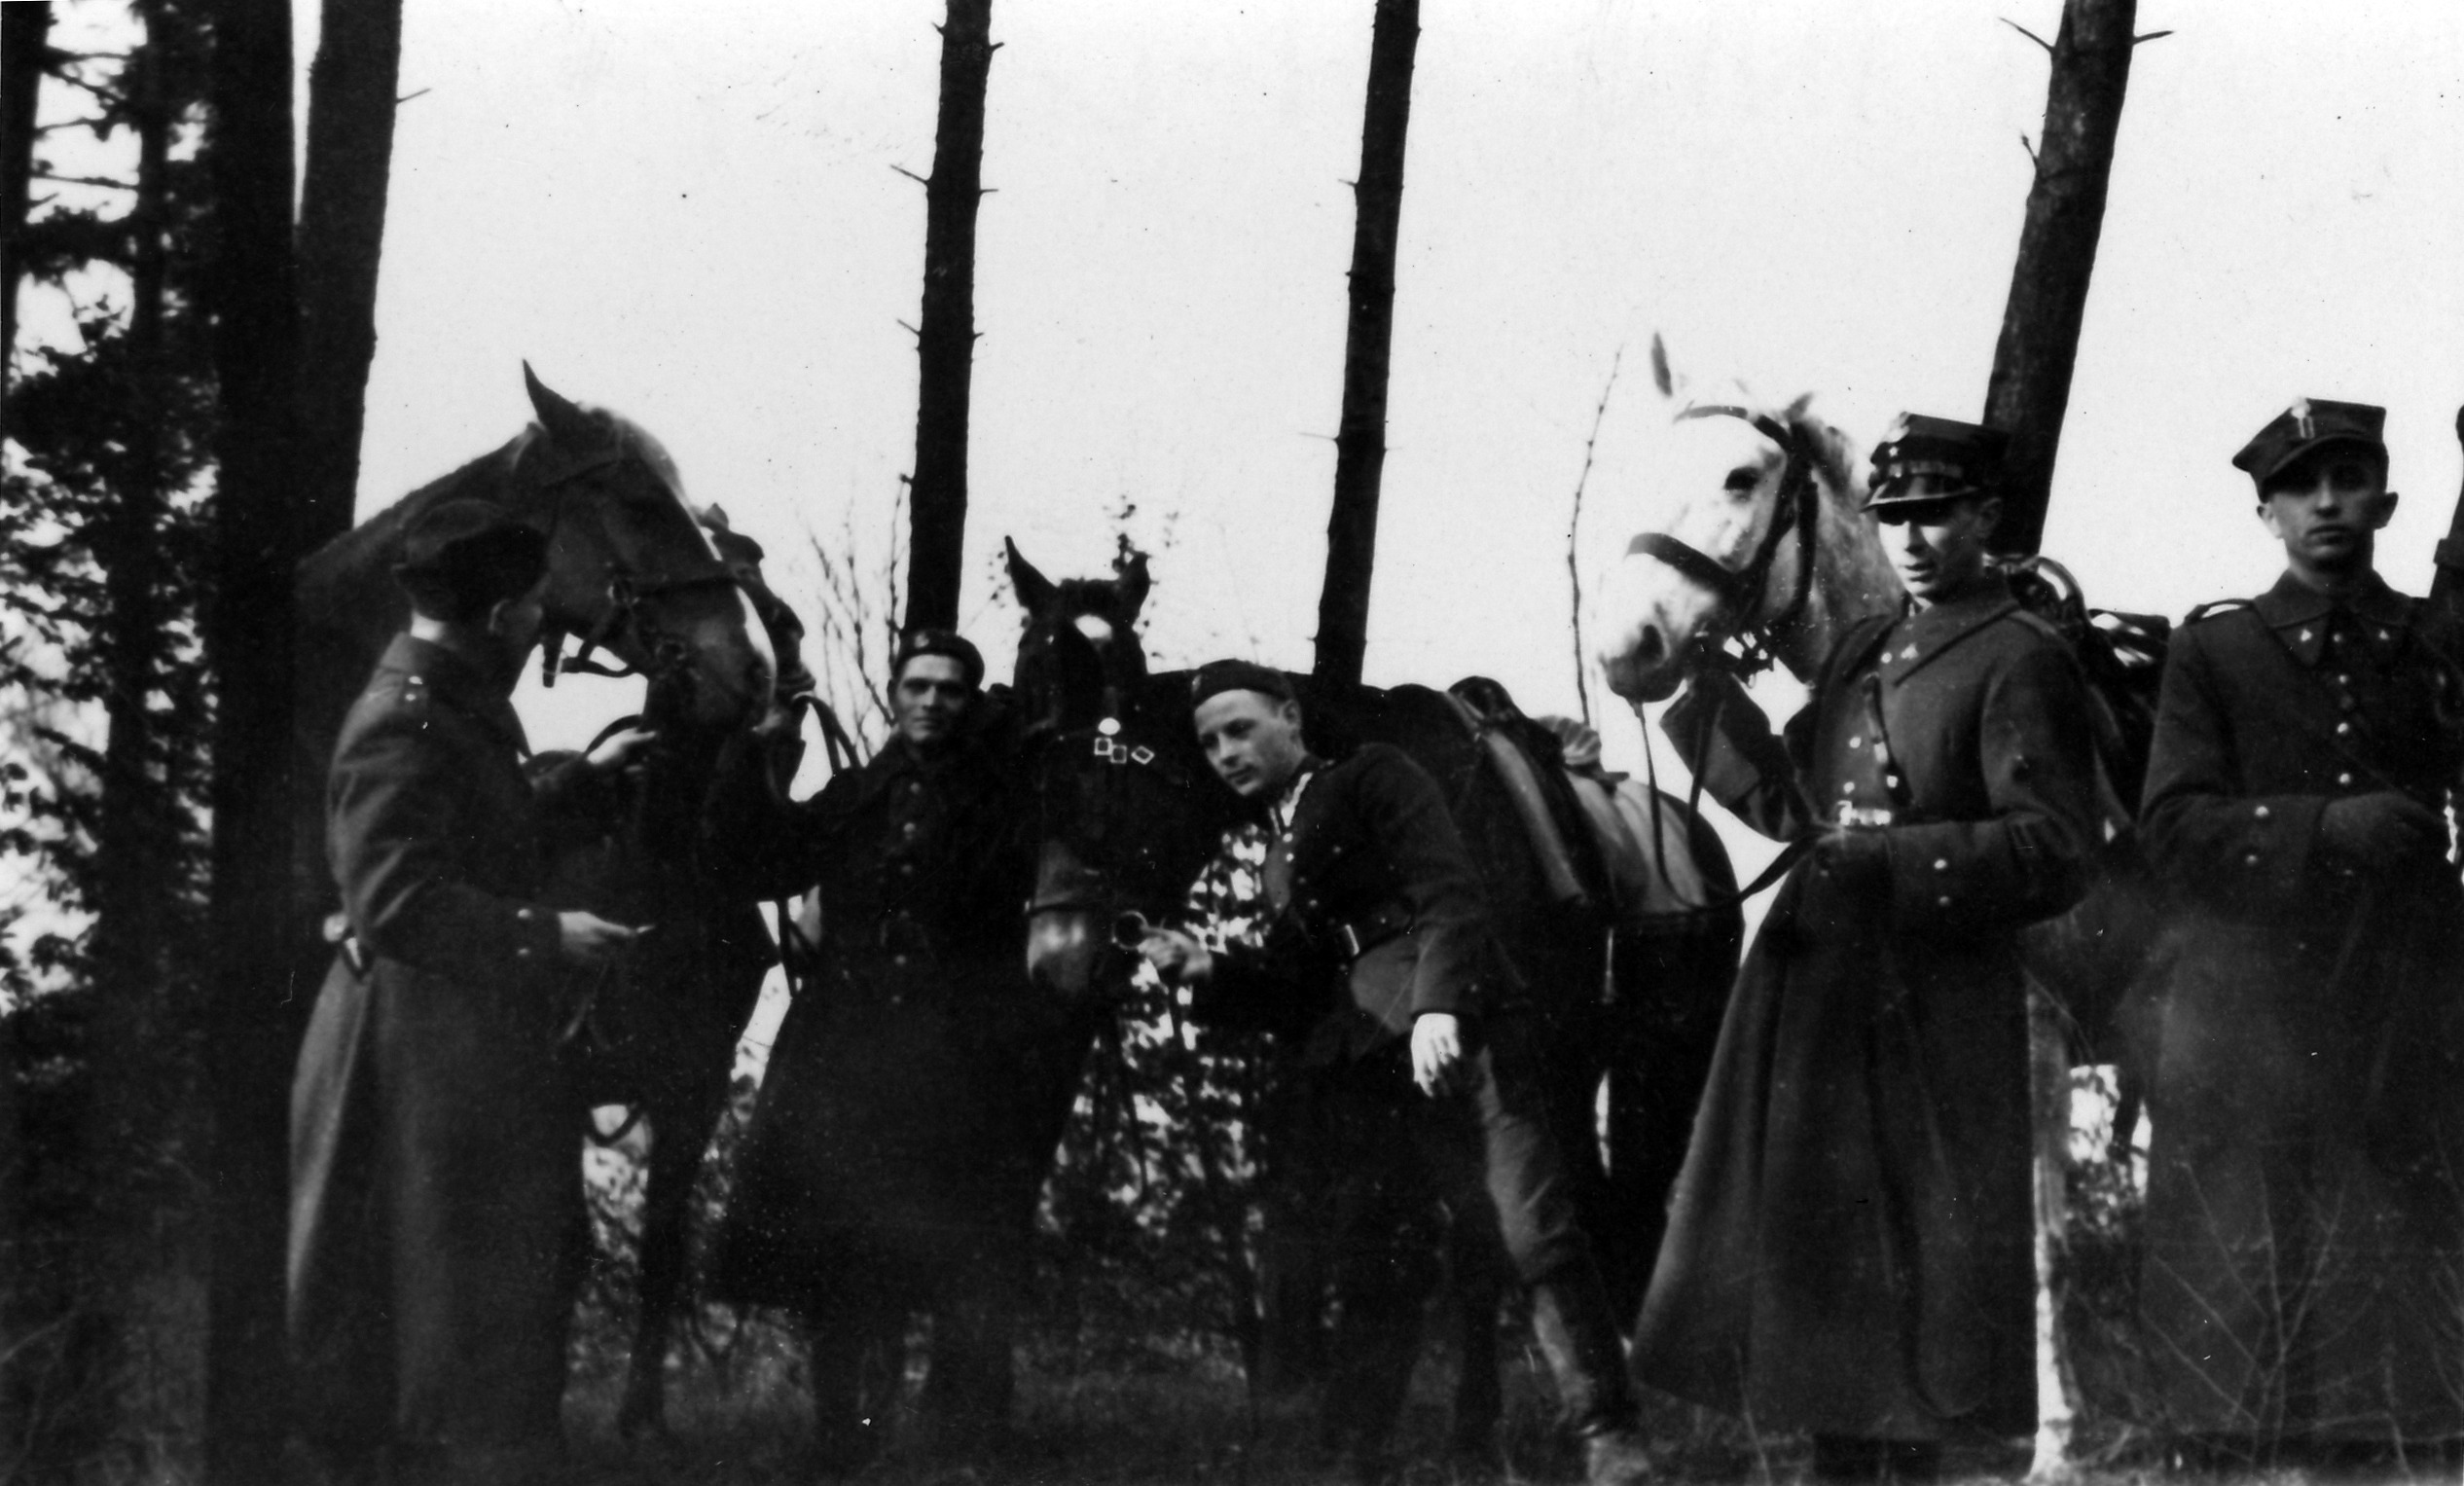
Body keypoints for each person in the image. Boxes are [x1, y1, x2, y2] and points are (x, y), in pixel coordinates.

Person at [1630, 415, 2102, 1480]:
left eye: (1938, 514)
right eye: (1894, 517)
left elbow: (2056, 849)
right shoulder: (1863, 650)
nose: (1913, 539)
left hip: (1939, 1003)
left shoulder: (2021, 654)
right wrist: (1696, 701)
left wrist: (1888, 861)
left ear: (1986, 516)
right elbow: (1795, 808)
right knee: (1824, 1275)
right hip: (1823, 997)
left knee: (1926, 1291)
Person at [1136, 660, 1653, 1486]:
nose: (1226, 752)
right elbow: (1300, 986)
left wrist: (1439, 1007)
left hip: (1466, 1032)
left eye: (1241, 729)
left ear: (1290, 718)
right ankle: (1355, 1457)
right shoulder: (1277, 854)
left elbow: (1452, 892)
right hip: (1375, 1064)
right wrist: (1210, 969)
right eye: (1210, 742)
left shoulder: (1375, 773)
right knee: (1376, 1253)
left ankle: (1611, 1438)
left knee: (1528, 1226)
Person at [288, 499, 652, 1486]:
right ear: (500, 616)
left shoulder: (443, 699)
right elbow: (394, 900)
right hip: (413, 1067)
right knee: (436, 1316)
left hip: (451, 1051)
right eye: (534, 607)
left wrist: (580, 782)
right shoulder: (403, 717)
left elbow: (467, 830)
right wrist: (550, 933)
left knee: (468, 1308)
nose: (541, 623)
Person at [2135, 398, 2464, 1464]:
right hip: (2251, 1014)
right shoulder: (2213, 650)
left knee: (2401, 1286)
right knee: (2236, 1279)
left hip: (2404, 1000)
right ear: (2265, 513)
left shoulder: (2435, 642)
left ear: (2387, 503)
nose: (2326, 503)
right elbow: (2172, 828)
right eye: (2300, 486)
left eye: (2348, 480)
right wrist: (2324, 828)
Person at [710, 629, 1054, 1472]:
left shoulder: (1001, 803)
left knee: (953, 1244)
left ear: (969, 704)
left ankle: (962, 1439)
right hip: (845, 1055)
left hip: (952, 1059)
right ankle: (840, 1435)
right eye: (917, 685)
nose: (931, 701)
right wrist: (750, 755)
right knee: (837, 1245)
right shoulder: (852, 795)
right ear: (895, 696)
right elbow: (759, 859)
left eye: (950, 689)